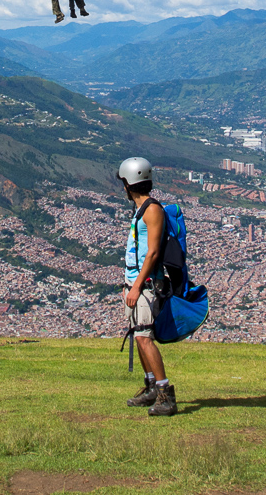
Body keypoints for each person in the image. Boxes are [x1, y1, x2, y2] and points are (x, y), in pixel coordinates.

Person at [118, 156, 176, 417]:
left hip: (146, 283)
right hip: (135, 281)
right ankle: (151, 385)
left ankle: (165, 393)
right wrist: (128, 283)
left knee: (144, 336)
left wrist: (137, 286)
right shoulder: (140, 210)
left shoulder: (152, 210)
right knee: (138, 336)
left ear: (129, 184)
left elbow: (152, 253)